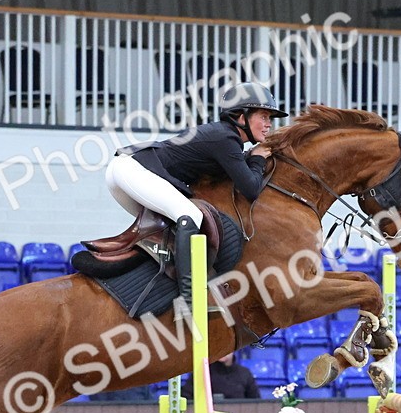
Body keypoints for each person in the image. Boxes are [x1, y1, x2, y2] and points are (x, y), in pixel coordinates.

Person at [104, 82, 288, 308]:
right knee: (190, 216)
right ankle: (189, 299)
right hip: (131, 169)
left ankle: (160, 287)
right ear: (242, 117)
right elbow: (250, 189)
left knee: (169, 228)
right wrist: (258, 158)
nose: (269, 124)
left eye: (270, 118)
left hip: (125, 170)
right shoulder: (225, 138)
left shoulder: (225, 138)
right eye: (264, 116)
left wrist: (251, 158)